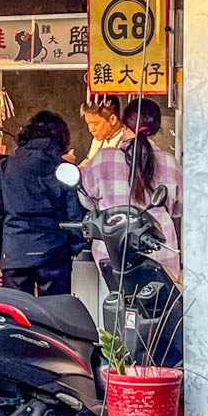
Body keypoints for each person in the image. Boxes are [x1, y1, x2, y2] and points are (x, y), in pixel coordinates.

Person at [80, 98, 183, 281]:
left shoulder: (103, 159)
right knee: (160, 299)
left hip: (112, 254)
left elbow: (86, 200)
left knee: (115, 297)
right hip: (160, 251)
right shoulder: (170, 162)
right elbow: (178, 209)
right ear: (156, 128)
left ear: (124, 124)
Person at [0, 110, 85, 296]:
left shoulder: (6, 166)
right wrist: (75, 246)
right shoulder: (63, 168)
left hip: (15, 251)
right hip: (53, 250)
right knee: (55, 310)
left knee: (18, 310)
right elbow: (73, 213)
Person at [78, 96, 133, 168]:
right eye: (88, 124)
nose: (91, 129)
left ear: (113, 119)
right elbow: (88, 161)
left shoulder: (127, 142)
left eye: (96, 124)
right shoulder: (97, 140)